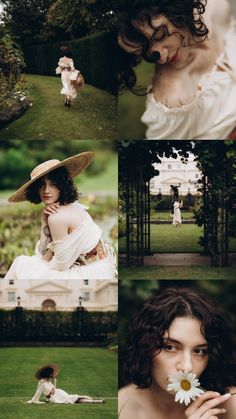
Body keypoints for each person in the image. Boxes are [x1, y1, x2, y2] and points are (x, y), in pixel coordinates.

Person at [118, 0, 236, 140]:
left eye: (160, 35)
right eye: (145, 53)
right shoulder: (175, 98)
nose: (161, 57)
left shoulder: (216, 6)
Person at [119, 287, 236, 419]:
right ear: (145, 346)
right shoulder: (122, 407)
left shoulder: (230, 404)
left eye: (199, 351)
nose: (187, 367)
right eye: (170, 347)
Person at [4, 152, 116, 280]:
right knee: (24, 263)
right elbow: (46, 256)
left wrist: (39, 264)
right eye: (42, 185)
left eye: (53, 184)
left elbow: (58, 264)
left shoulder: (57, 217)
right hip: (102, 270)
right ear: (36, 189)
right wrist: (44, 221)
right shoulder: (72, 207)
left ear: (62, 185)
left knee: (21, 264)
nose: (46, 191)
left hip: (89, 275)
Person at [27, 364, 105, 404]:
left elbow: (53, 389)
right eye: (51, 374)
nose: (52, 375)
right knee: (73, 399)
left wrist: (54, 382)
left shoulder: (48, 381)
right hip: (54, 398)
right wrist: (34, 400)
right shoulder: (42, 382)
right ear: (48, 374)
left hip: (59, 394)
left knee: (75, 397)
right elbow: (38, 392)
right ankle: (97, 401)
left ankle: (95, 400)